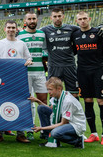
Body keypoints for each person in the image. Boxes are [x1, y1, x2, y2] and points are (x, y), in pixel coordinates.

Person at [0, 20, 32, 143]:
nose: (11, 29)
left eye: (13, 27)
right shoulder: (0, 44)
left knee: (20, 104)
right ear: (5, 29)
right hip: (3, 79)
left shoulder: (21, 44)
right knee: (0, 103)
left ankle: (20, 133)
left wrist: (28, 61)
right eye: (9, 27)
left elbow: (28, 57)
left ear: (16, 29)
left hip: (18, 79)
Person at [71, 11, 103, 144]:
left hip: (98, 70)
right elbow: (73, 52)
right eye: (80, 19)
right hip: (82, 71)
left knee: (101, 101)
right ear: (77, 21)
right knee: (88, 100)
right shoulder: (75, 35)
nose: (83, 21)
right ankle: (94, 134)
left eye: (85, 18)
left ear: (89, 19)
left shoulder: (99, 32)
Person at [29, 77, 85, 148]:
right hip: (66, 121)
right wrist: (37, 101)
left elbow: (63, 123)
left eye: (51, 89)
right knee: (41, 108)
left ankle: (77, 141)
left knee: (55, 133)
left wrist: (42, 128)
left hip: (75, 125)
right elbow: (50, 109)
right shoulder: (56, 96)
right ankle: (49, 139)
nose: (49, 92)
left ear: (59, 89)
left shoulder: (68, 101)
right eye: (48, 89)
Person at [17, 12, 47, 141]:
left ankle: (45, 129)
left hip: (40, 72)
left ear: (37, 19)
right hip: (26, 73)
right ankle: (29, 128)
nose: (32, 20)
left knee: (43, 101)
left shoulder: (42, 34)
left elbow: (45, 52)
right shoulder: (20, 36)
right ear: (25, 21)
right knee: (28, 102)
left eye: (34, 18)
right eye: (29, 19)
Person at [41, 8, 79, 96]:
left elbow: (86, 30)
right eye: (55, 16)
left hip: (69, 65)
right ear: (51, 18)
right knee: (53, 93)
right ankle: (56, 110)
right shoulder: (45, 30)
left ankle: (72, 110)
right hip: (54, 66)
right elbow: (32, 33)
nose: (57, 18)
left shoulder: (72, 28)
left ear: (63, 17)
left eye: (59, 16)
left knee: (73, 94)